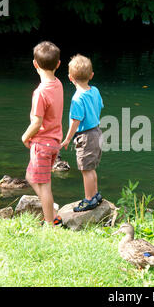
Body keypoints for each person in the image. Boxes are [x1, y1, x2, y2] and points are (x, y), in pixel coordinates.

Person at [22, 41, 64, 225]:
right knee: (30, 177)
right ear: (58, 64)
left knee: (44, 185)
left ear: (35, 64)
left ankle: (50, 223)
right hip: (54, 142)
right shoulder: (58, 84)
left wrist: (25, 137)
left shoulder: (40, 92)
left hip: (41, 144)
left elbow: (37, 122)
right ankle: (52, 212)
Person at [61, 54, 104, 212]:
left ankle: (88, 199)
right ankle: (96, 195)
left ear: (70, 77)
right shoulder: (95, 91)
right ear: (91, 75)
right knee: (91, 168)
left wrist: (67, 139)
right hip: (97, 132)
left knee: (85, 170)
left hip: (85, 136)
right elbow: (99, 107)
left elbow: (75, 122)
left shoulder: (77, 98)